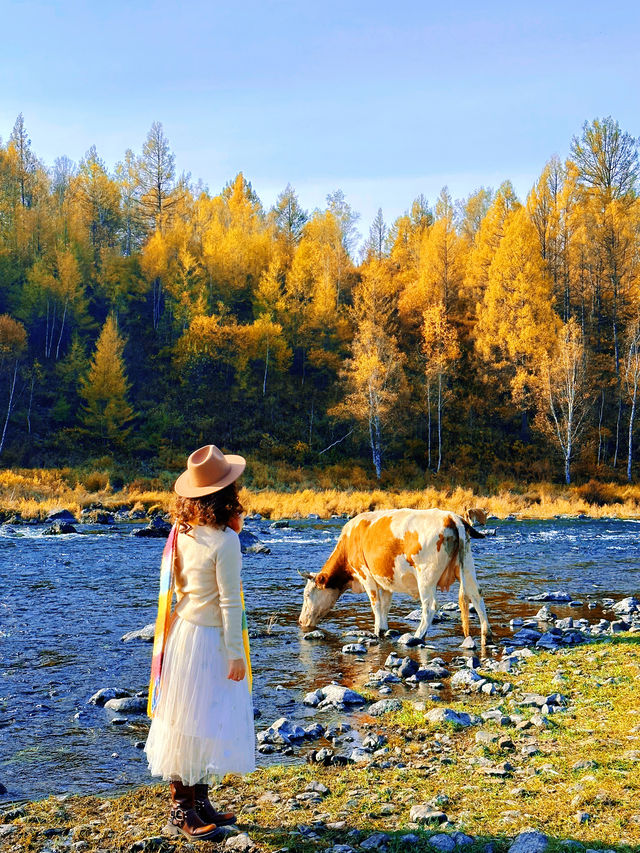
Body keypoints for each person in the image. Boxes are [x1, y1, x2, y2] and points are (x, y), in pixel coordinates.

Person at [145, 444, 255, 841]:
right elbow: (229, 601)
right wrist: (235, 652)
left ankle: (195, 803)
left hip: (182, 634)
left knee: (186, 720)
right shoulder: (225, 541)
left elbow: (172, 587)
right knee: (205, 718)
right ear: (226, 495)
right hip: (210, 640)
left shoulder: (180, 532)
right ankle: (183, 810)